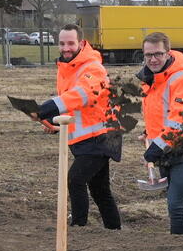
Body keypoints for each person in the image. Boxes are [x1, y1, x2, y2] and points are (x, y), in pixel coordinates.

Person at [32, 25, 122, 230]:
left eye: (71, 43)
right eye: (62, 43)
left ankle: (78, 227)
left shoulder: (93, 68)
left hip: (102, 137)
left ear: (81, 44)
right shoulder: (65, 69)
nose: (66, 48)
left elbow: (81, 95)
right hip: (86, 138)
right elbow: (72, 107)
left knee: (75, 180)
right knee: (100, 189)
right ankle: (115, 231)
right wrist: (52, 123)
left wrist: (44, 109)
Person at [138, 32, 183, 235]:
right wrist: (148, 132)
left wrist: (153, 150)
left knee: (176, 205)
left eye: (158, 53)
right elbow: (162, 113)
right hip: (166, 148)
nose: (153, 59)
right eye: (148, 55)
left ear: (168, 53)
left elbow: (180, 123)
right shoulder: (152, 79)